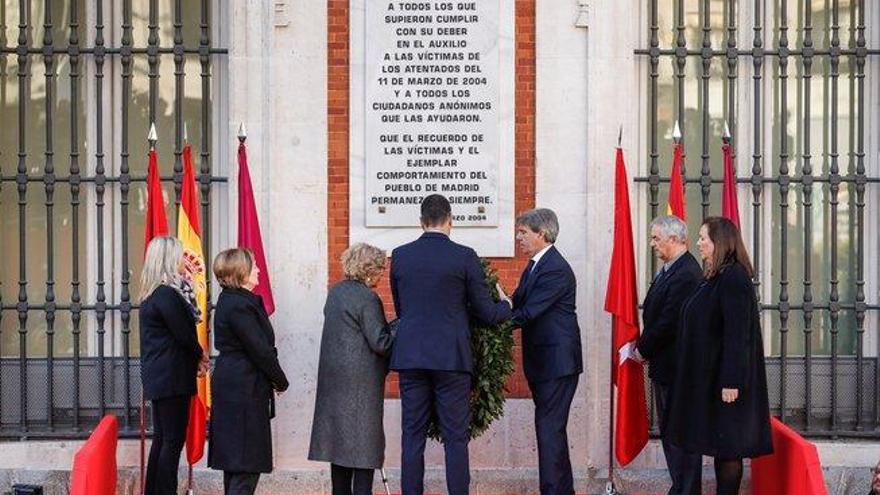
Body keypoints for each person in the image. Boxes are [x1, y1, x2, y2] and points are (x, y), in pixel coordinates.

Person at [390, 194, 512, 495]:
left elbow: (401, 308)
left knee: (412, 436)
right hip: (451, 357)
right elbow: (484, 312)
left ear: (421, 222)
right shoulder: (465, 256)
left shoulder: (401, 255)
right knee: (456, 437)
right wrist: (506, 306)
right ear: (450, 220)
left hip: (412, 355)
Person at [666, 217, 772, 495]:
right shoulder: (716, 275)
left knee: (729, 449)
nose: (699, 243)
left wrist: (731, 381)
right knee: (721, 445)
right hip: (713, 380)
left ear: (720, 242)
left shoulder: (734, 276)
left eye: (704, 238)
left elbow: (737, 334)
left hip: (728, 384)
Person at [496, 208, 583, 495]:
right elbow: (517, 302)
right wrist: (499, 300)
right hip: (544, 364)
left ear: (541, 234)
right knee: (551, 432)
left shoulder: (555, 268)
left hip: (557, 365)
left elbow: (528, 313)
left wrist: (496, 323)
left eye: (523, 232)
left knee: (549, 432)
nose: (518, 237)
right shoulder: (534, 265)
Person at [309, 243, 395, 495]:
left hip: (334, 384)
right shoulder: (367, 297)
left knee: (340, 451)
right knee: (364, 452)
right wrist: (400, 331)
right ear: (369, 269)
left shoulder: (335, 293)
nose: (381, 274)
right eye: (379, 268)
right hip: (361, 387)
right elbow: (380, 342)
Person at [209, 248, 289, 495]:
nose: (259, 270)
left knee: (237, 462)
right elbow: (259, 349)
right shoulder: (239, 305)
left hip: (235, 383)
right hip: (243, 386)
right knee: (244, 462)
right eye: (254, 266)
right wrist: (280, 380)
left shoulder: (233, 301)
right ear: (241, 272)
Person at [633, 216, 703, 495]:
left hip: (678, 369)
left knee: (681, 437)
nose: (652, 244)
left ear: (674, 240)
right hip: (667, 366)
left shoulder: (686, 273)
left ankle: (686, 490)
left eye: (656, 238)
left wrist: (641, 349)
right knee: (672, 434)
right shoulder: (670, 270)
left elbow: (669, 320)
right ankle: (680, 488)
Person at [139, 236, 209, 495]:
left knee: (162, 439)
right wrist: (201, 355)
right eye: (179, 255)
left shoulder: (152, 294)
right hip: (172, 377)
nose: (184, 260)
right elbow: (184, 335)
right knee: (172, 440)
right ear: (168, 259)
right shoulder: (168, 294)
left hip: (160, 376)